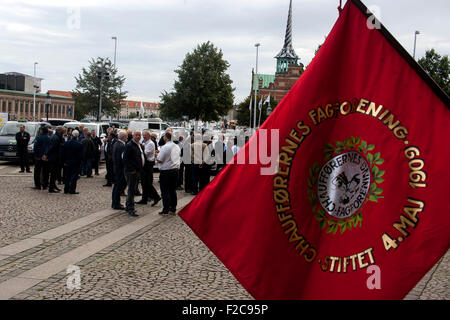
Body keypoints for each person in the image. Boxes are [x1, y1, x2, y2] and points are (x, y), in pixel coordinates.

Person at [157, 131, 180, 215]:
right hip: (175, 170)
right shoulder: (177, 146)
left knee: (165, 191)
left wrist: (156, 156)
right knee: (172, 190)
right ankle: (173, 207)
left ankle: (166, 209)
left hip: (166, 171)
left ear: (166, 138)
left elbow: (160, 159)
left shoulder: (165, 147)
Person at [123, 130, 144, 217]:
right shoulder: (129, 145)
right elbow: (125, 158)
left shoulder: (138, 144)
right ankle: (130, 208)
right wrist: (132, 169)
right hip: (132, 171)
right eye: (136, 135)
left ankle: (128, 206)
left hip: (137, 170)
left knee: (133, 189)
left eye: (139, 135)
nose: (138, 137)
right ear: (133, 136)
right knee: (131, 190)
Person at [137, 131, 161, 206]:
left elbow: (145, 154)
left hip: (148, 164)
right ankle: (144, 199)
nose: (143, 137)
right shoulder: (145, 143)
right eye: (143, 135)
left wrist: (141, 149)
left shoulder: (150, 143)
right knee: (144, 183)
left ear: (149, 136)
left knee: (148, 183)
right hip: (145, 164)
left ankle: (156, 196)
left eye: (145, 135)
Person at [43, 126, 64, 193]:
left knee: (54, 173)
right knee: (53, 173)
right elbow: (51, 147)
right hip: (54, 158)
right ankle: (51, 187)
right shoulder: (56, 138)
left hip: (54, 157)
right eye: (61, 131)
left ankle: (53, 186)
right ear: (58, 131)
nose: (62, 132)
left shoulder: (55, 137)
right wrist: (46, 154)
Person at [62, 130, 83, 194]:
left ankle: (66, 189)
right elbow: (81, 155)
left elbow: (63, 153)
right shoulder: (79, 144)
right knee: (74, 176)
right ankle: (72, 189)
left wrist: (64, 161)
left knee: (67, 176)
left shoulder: (66, 143)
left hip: (68, 161)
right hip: (75, 162)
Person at [111, 131, 127, 210]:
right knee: (118, 186)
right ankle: (116, 203)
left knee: (117, 186)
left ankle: (115, 202)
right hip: (120, 168)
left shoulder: (116, 144)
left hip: (117, 168)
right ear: (123, 137)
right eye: (126, 137)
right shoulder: (121, 146)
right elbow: (122, 158)